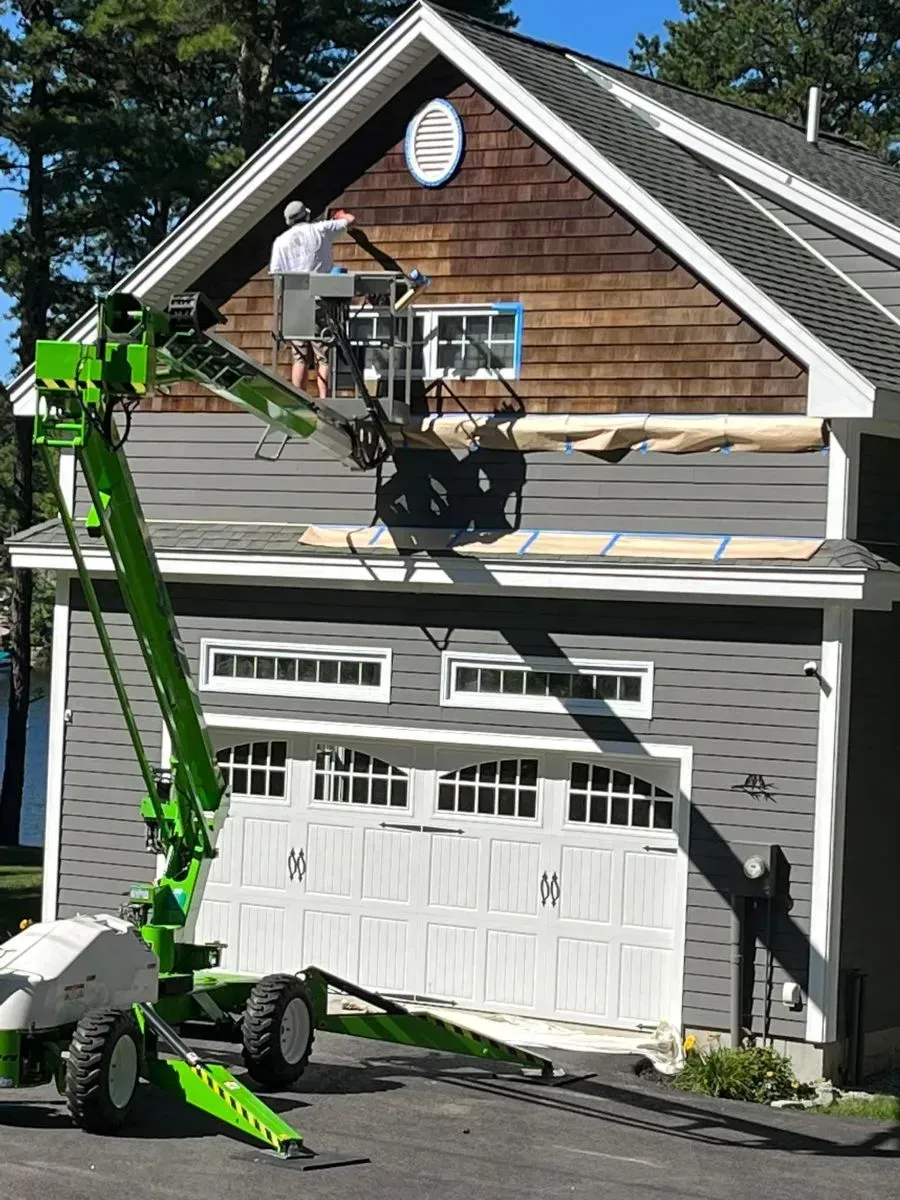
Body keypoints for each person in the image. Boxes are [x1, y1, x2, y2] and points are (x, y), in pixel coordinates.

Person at [269, 200, 356, 397]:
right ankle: (325, 399)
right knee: (324, 355)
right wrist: (340, 216)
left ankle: (299, 399)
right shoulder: (321, 230)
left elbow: (276, 275)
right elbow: (351, 220)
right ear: (306, 215)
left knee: (299, 356)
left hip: (295, 300)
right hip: (321, 297)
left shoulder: (280, 241)